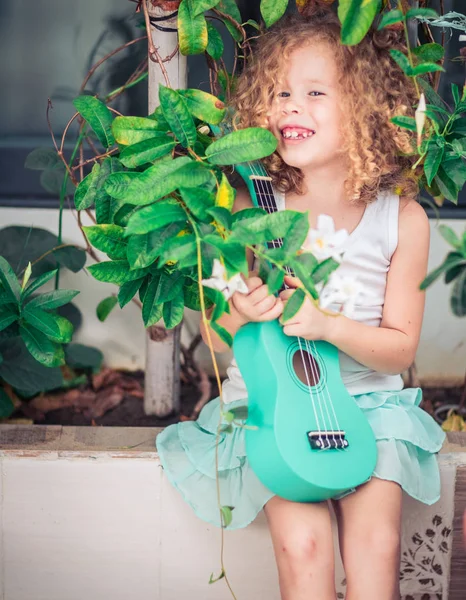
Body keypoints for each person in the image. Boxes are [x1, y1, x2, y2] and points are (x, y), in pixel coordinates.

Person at [156, 8, 446, 600]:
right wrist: (244, 313)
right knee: (303, 546)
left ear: (366, 108)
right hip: (276, 408)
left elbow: (399, 349)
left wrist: (328, 324)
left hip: (369, 409)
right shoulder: (247, 208)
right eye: (280, 92)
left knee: (376, 546)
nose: (292, 106)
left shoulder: (402, 221)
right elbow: (217, 333)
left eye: (316, 93)